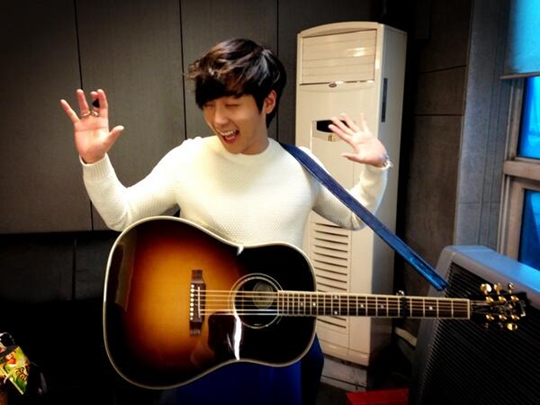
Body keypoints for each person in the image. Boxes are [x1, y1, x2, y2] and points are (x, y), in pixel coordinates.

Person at [60, 38, 391, 405]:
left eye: (232, 105)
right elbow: (121, 215)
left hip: (277, 335)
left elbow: (352, 217)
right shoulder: (188, 159)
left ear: (268, 101)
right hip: (203, 343)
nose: (218, 119)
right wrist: (95, 162)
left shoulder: (302, 166)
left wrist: (376, 168)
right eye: (209, 105)